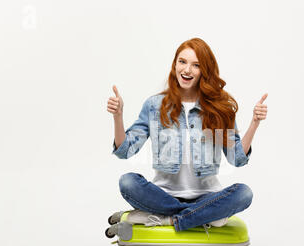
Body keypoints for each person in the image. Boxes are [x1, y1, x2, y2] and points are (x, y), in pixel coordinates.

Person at [107, 38, 268, 232]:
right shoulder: (155, 105)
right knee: (128, 182)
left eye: (196, 65)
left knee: (244, 193)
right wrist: (118, 117)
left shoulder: (218, 108)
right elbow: (125, 151)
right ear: (175, 64)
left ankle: (168, 219)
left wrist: (254, 124)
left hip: (207, 196)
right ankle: (203, 216)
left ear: (204, 71)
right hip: (163, 196)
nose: (187, 70)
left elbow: (237, 159)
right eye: (182, 62)